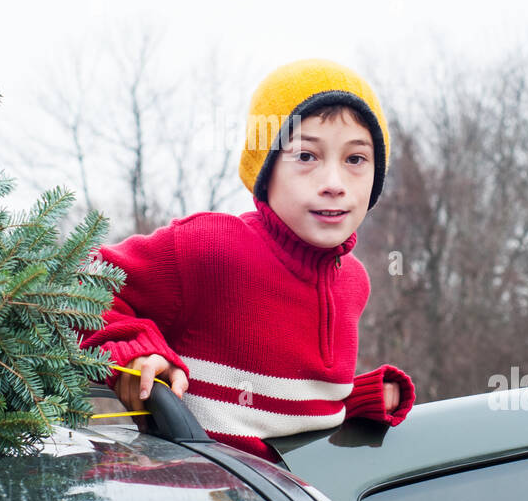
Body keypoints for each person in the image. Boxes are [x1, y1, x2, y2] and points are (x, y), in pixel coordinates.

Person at [77, 58, 415, 462]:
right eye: (306, 156)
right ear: (265, 170)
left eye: (355, 160)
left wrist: (354, 401)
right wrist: (136, 353)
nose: (334, 184)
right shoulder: (212, 246)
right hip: (188, 500)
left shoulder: (354, 283)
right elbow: (79, 286)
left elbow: (272, 415)